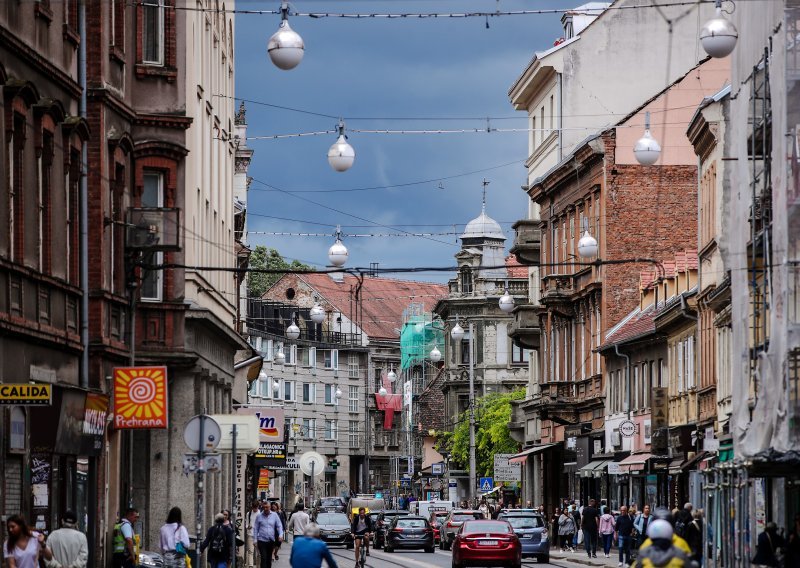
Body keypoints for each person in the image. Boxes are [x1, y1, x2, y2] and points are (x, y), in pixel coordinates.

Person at [253, 502, 283, 568]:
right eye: (264, 507)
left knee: (268, 559)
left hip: (271, 541)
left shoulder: (274, 515)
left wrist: (281, 535)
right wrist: (255, 540)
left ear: (270, 507)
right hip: (261, 540)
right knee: (263, 558)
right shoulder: (259, 516)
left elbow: (279, 526)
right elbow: (256, 528)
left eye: (267, 507)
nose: (265, 509)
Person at [245, 501, 261, 568]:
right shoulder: (249, 514)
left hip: (259, 535)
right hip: (250, 534)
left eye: (256, 508)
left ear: (258, 507)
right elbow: (246, 524)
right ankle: (251, 565)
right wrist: (247, 526)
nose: (254, 509)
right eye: (253, 508)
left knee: (259, 553)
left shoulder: (261, 514)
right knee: (250, 551)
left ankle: (258, 565)